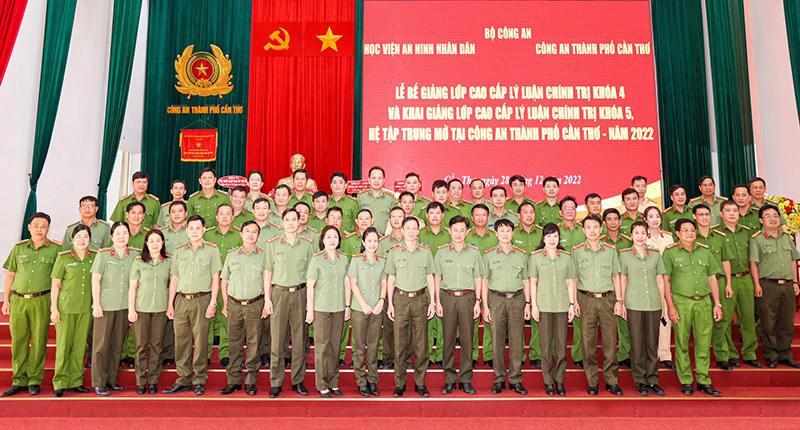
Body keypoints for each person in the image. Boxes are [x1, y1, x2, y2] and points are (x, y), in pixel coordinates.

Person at [663, 218, 724, 396]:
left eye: (692, 230)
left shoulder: (704, 251)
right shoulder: (670, 252)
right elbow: (665, 280)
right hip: (681, 302)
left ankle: (704, 380)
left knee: (703, 343)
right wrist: (670, 306)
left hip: (704, 302)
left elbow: (712, 278)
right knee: (682, 342)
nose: (690, 233)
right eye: (685, 230)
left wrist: (717, 304)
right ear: (677, 233)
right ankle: (686, 380)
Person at [163, 215, 221, 396]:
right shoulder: (179, 251)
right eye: (191, 228)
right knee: (181, 342)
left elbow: (215, 278)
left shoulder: (211, 250)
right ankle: (183, 379)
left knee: (201, 342)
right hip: (181, 301)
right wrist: (170, 304)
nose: (194, 232)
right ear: (186, 231)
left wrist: (213, 302)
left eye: (198, 228)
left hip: (201, 300)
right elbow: (174, 278)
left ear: (203, 230)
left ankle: (199, 379)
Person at [264, 208, 316, 398]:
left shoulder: (308, 245)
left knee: (300, 340)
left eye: (295, 219)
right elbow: (268, 272)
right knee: (277, 341)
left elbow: (312, 276)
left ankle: (298, 381)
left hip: (300, 294)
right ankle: (276, 382)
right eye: (288, 219)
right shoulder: (272, 245)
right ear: (282, 222)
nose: (291, 223)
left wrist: (310, 303)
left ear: (299, 221)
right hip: (279, 294)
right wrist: (267, 298)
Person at [571, 214, 623, 396]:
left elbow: (616, 277)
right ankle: (592, 381)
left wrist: (619, 300)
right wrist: (574, 302)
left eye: (595, 227)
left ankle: (611, 381)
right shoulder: (577, 252)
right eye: (588, 227)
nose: (592, 231)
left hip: (608, 299)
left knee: (610, 342)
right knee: (587, 342)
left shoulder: (610, 251)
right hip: (586, 300)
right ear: (583, 230)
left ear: (601, 229)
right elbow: (573, 278)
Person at [386, 217, 436, 397]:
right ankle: (400, 383)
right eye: (408, 228)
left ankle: (420, 382)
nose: (411, 231)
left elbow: (430, 278)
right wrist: (390, 303)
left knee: (421, 344)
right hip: (400, 299)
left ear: (418, 231)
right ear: (402, 230)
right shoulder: (394, 252)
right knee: (400, 343)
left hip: (420, 299)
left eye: (414, 228)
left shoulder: (426, 252)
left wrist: (433, 301)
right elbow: (390, 278)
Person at [90, 221, 139, 396]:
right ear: (111, 236)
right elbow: (95, 280)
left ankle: (112, 380)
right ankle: (99, 382)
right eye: (117, 233)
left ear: (129, 236)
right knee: (101, 346)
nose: (121, 236)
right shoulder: (103, 255)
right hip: (105, 306)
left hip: (124, 306)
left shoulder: (134, 255)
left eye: (124, 233)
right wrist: (97, 304)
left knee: (117, 345)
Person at [434, 216, 481, 395]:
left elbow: (478, 278)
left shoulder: (474, 253)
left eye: (462, 230)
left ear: (467, 232)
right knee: (448, 340)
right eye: (455, 230)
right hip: (448, 298)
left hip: (468, 298)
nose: (459, 234)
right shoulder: (441, 253)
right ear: (449, 231)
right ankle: (449, 379)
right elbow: (437, 278)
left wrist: (478, 301)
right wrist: (437, 301)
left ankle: (466, 380)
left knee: (468, 341)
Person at [483, 219, 530, 395]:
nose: (505, 234)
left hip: (517, 299)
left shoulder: (521, 255)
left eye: (508, 230)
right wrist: (485, 306)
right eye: (501, 231)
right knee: (497, 341)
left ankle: (516, 379)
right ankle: (499, 379)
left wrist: (528, 303)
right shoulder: (489, 255)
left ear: (513, 233)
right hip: (497, 300)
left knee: (517, 341)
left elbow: (526, 281)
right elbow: (484, 282)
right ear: (496, 233)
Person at [218, 221, 265, 396]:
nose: (250, 235)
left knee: (254, 344)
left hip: (255, 304)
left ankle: (251, 381)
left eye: (254, 232)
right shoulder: (232, 255)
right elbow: (225, 281)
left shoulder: (264, 256)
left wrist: (267, 303)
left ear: (258, 235)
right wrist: (225, 304)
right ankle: (234, 381)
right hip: (234, 305)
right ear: (241, 234)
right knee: (234, 343)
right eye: (247, 231)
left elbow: (268, 281)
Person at [619, 221, 666, 397]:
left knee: (652, 344)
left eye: (643, 233)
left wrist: (662, 304)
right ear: (631, 236)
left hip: (653, 303)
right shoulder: (624, 255)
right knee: (638, 344)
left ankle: (653, 380)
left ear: (647, 235)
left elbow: (660, 280)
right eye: (636, 233)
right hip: (634, 304)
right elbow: (623, 280)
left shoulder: (655, 255)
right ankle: (640, 381)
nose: (640, 236)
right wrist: (621, 302)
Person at [750, 205, 800, 369]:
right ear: (761, 220)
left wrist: (795, 282)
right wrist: (757, 284)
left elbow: (793, 260)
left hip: (787, 286)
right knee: (768, 323)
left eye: (775, 216)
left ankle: (785, 354)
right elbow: (753, 263)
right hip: (767, 285)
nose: (772, 219)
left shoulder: (786, 238)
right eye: (768, 216)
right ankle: (771, 355)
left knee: (787, 323)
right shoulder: (757, 239)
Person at [529, 222, 576, 396]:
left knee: (561, 347)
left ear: (559, 238)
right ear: (543, 238)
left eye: (555, 236)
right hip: (544, 306)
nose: (552, 239)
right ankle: (548, 381)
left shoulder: (566, 257)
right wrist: (534, 305)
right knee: (546, 347)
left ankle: (560, 380)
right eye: (548, 236)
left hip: (562, 306)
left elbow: (570, 282)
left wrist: (572, 304)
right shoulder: (535, 257)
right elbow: (533, 282)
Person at [50, 225, 95, 397]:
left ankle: (76, 381)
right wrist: (54, 308)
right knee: (63, 346)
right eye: (78, 237)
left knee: (79, 346)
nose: (82, 240)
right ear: (71, 240)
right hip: (66, 308)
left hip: (85, 308)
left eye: (85, 237)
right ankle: (60, 382)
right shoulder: (63, 258)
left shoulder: (94, 258)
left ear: (90, 239)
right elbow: (55, 284)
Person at [306, 226, 350, 398]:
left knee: (335, 347)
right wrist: (310, 310)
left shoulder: (343, 258)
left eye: (335, 237)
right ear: (323, 240)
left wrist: (347, 306)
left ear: (339, 240)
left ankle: (333, 382)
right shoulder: (317, 259)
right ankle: (322, 384)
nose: (332, 240)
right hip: (322, 308)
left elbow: (347, 284)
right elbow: (310, 286)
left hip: (339, 307)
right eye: (328, 237)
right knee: (322, 348)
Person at [128, 229, 171, 395]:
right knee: (140, 346)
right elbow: (133, 287)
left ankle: (153, 381)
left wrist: (170, 306)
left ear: (162, 243)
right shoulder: (139, 262)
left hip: (160, 310)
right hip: (141, 310)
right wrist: (131, 309)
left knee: (157, 345)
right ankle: (140, 381)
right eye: (151, 241)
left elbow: (172, 284)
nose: (155, 244)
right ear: (146, 243)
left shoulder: (168, 262)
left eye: (158, 241)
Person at [717, 199, 759, 369]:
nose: (732, 214)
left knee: (748, 318)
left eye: (735, 210)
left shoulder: (747, 232)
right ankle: (731, 354)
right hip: (727, 280)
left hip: (746, 279)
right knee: (726, 320)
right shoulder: (716, 234)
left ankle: (749, 354)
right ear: (721, 214)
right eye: (728, 211)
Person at [348, 227, 387, 397]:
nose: (372, 244)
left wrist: (381, 301)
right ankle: (361, 381)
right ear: (363, 243)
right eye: (369, 240)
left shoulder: (382, 261)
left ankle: (372, 379)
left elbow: (384, 283)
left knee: (373, 345)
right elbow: (353, 284)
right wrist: (363, 304)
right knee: (359, 346)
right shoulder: (356, 261)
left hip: (377, 308)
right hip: (360, 309)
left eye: (375, 241)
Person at [203, 204, 243, 367]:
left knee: (227, 318)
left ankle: (225, 353)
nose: (225, 217)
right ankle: (205, 354)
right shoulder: (207, 234)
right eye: (221, 214)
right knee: (207, 319)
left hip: (231, 283)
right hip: (209, 282)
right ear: (216, 217)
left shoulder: (239, 235)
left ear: (233, 217)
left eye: (228, 214)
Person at [643, 205, 676, 370]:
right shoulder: (642, 237)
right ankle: (651, 355)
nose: (655, 220)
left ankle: (665, 355)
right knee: (649, 321)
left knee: (665, 320)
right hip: (648, 283)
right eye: (651, 216)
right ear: (645, 220)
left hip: (666, 283)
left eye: (657, 216)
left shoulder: (668, 238)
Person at [418, 201, 451, 366]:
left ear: (442, 215)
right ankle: (429, 356)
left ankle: (441, 355)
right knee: (428, 321)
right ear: (427, 216)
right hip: (425, 283)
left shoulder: (449, 234)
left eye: (438, 213)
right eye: (431, 213)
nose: (435, 216)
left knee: (444, 321)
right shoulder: (420, 235)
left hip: (445, 283)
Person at [466, 204, 498, 366]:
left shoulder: (495, 236)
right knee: (470, 321)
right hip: (470, 283)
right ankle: (471, 355)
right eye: (477, 215)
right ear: (472, 218)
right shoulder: (466, 237)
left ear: (488, 217)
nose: (480, 218)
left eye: (483, 215)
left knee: (489, 319)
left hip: (491, 283)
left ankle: (489, 353)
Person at [513, 201, 543, 367]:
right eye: (525, 212)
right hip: (519, 281)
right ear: (519, 215)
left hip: (539, 281)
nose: (529, 215)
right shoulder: (512, 233)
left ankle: (536, 354)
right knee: (518, 321)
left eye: (532, 212)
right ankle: (519, 355)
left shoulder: (542, 233)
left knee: (537, 319)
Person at [358, 166, 395, 233]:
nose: (376, 181)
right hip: (366, 236)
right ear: (369, 180)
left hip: (384, 237)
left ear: (383, 180)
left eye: (379, 178)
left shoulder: (391, 198)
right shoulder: (361, 197)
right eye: (373, 178)